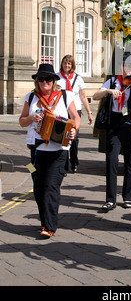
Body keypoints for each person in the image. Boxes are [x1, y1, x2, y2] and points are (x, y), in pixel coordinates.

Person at [19, 63, 81, 238]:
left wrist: (73, 130)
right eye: (41, 79)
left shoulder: (65, 95)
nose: (44, 82)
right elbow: (22, 121)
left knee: (50, 186)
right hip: (37, 151)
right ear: (37, 81)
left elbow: (75, 117)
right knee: (38, 188)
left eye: (48, 79)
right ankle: (45, 221)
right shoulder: (31, 97)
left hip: (59, 151)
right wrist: (31, 117)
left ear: (54, 81)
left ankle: (49, 226)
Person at [93, 53, 131, 211]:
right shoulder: (112, 82)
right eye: (125, 66)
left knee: (130, 163)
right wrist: (108, 92)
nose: (128, 69)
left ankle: (127, 197)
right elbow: (95, 96)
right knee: (112, 161)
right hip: (115, 124)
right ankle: (110, 199)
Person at [57, 55, 93, 172]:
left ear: (72, 65)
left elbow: (83, 96)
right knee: (63, 136)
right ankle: (65, 163)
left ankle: (74, 161)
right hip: (62, 110)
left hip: (75, 110)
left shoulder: (78, 78)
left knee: (75, 138)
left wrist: (89, 112)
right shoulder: (56, 77)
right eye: (65, 63)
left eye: (69, 63)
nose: (66, 65)